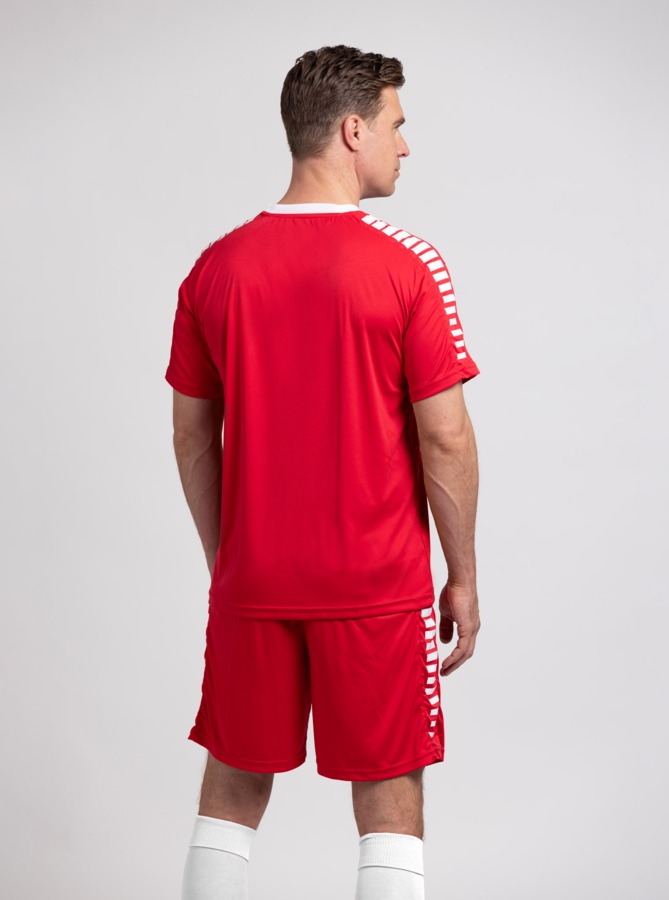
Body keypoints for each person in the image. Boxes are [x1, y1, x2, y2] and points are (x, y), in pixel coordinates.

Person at [165, 44, 481, 900]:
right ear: (352, 130)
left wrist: (230, 561)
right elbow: (446, 438)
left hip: (254, 580)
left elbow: (191, 437)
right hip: (375, 585)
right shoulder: (408, 266)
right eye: (395, 124)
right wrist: (461, 575)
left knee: (232, 788)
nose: (404, 144)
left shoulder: (215, 267)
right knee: (389, 794)